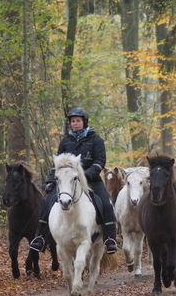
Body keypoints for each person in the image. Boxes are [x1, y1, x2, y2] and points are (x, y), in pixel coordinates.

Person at [30, 107, 118, 254]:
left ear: (84, 122)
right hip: (66, 182)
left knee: (105, 204)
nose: (75, 124)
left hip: (91, 180)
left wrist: (86, 175)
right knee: (47, 202)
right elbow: (57, 163)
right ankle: (40, 237)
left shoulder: (96, 139)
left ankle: (110, 239)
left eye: (78, 121)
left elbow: (100, 161)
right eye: (72, 121)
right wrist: (51, 180)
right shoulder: (65, 141)